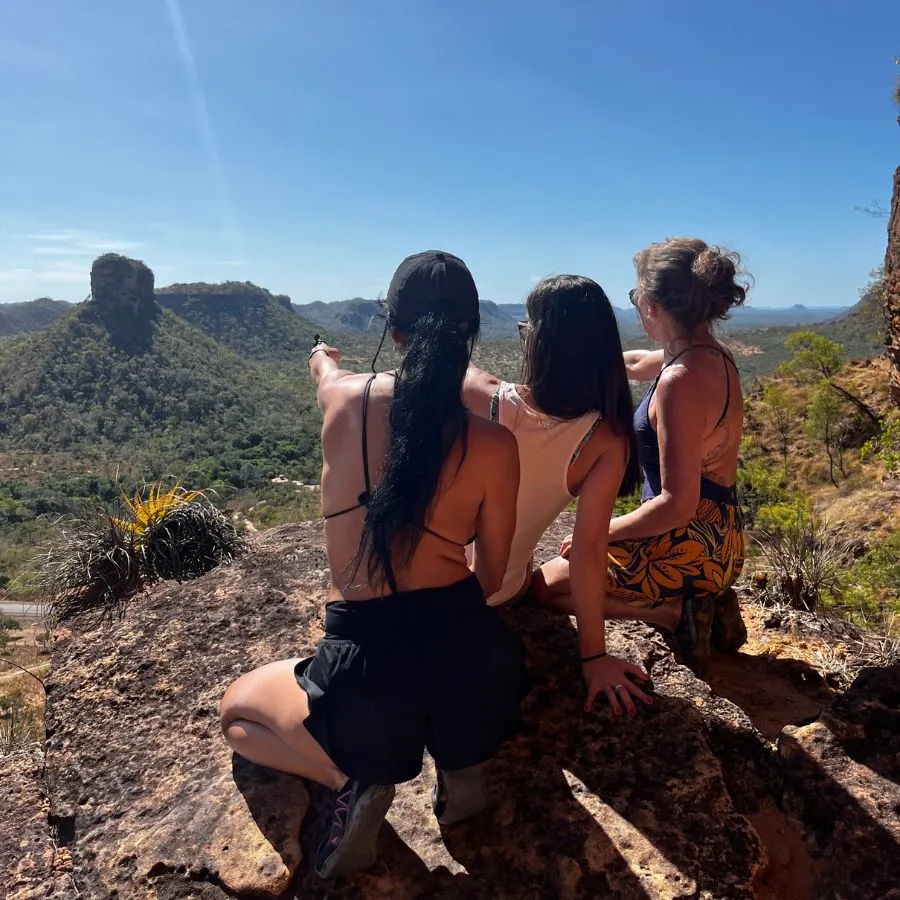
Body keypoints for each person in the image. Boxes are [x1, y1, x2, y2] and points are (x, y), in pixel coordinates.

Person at [220, 251, 529, 880]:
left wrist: (322, 358)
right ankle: (460, 762)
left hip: (369, 672)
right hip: (476, 663)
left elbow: (328, 379)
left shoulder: (344, 404)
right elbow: (492, 579)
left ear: (394, 332)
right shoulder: (495, 444)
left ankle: (351, 780)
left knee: (240, 711)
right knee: (452, 679)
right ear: (469, 335)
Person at [533, 239, 750, 674]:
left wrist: (599, 532)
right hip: (721, 535)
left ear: (651, 305)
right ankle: (705, 600)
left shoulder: (680, 384)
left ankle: (674, 616)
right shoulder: (706, 354)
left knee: (542, 588)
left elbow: (676, 504)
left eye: (635, 297)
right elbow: (634, 364)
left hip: (689, 539)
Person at [464, 275, 652, 716]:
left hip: (432, 587)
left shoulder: (484, 397)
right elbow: (588, 550)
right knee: (533, 571)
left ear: (539, 341)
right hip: (500, 591)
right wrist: (593, 656)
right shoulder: (606, 440)